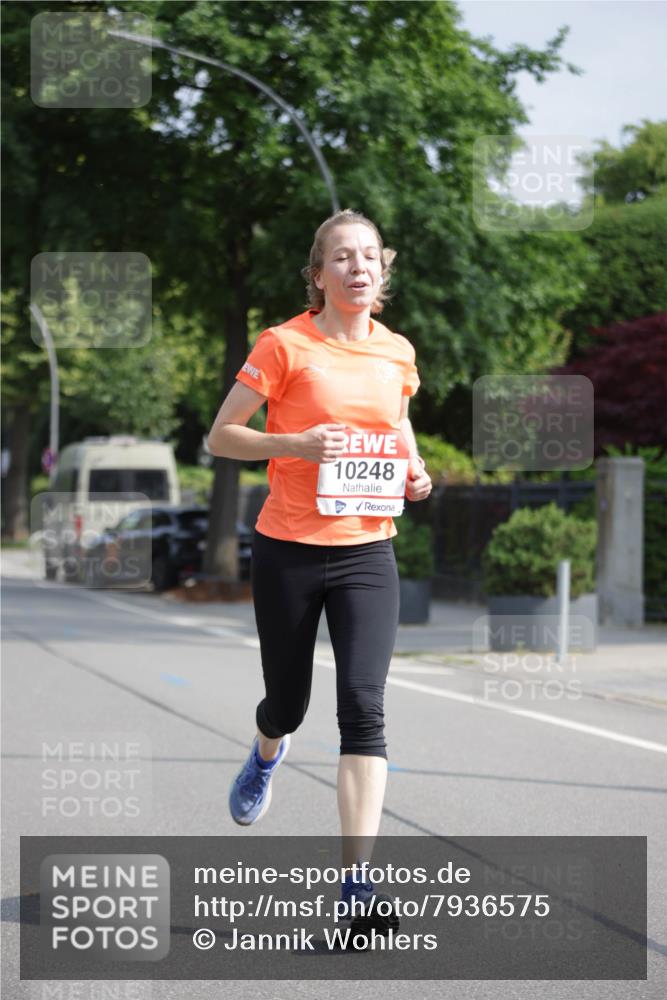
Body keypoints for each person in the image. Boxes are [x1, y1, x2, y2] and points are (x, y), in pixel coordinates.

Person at [207, 208, 432, 931]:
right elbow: (221, 436)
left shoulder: (396, 351)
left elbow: (394, 423)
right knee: (289, 703)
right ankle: (266, 749)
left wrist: (415, 470)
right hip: (290, 548)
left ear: (383, 270)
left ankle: (357, 888)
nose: (357, 267)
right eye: (341, 257)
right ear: (317, 274)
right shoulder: (283, 345)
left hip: (368, 548)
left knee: (364, 708)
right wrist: (296, 444)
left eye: (368, 256)